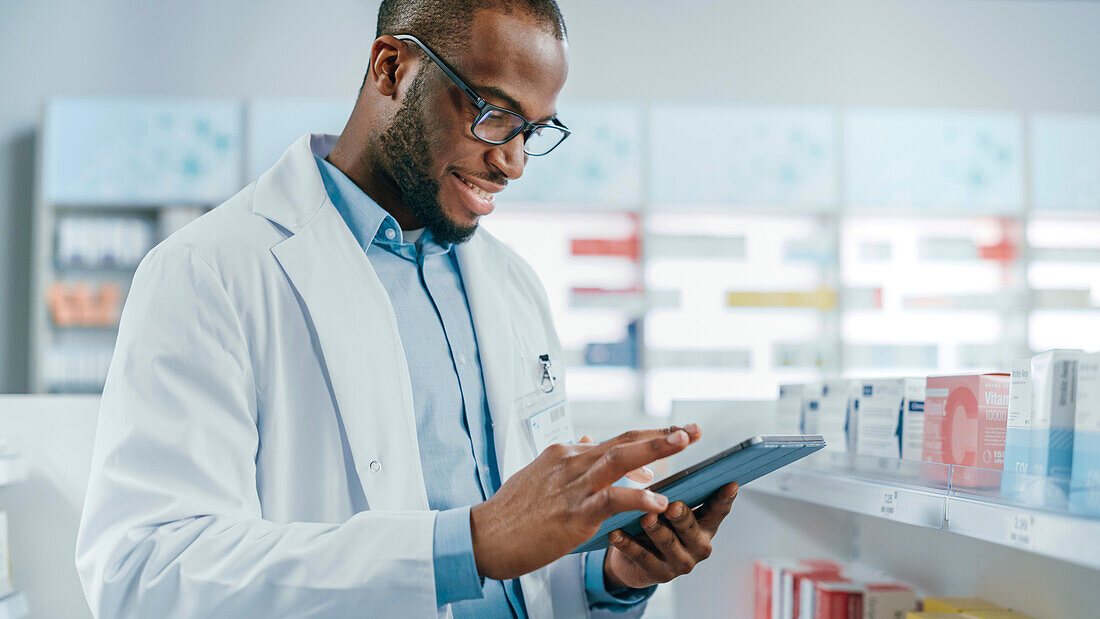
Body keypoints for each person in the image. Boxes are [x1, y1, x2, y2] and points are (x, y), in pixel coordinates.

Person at [75, 1, 739, 616]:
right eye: (492, 111)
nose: (512, 162)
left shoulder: (511, 285)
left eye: (532, 131)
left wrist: (612, 573)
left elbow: (524, 570)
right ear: (391, 68)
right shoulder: (209, 272)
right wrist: (468, 542)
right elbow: (143, 572)